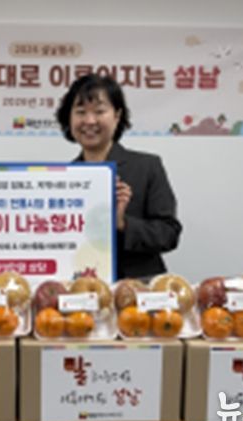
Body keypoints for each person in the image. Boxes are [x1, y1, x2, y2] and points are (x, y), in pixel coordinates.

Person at [56, 74, 182, 280]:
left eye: (99, 111)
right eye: (80, 112)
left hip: (139, 287)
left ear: (117, 115)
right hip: (81, 286)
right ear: (69, 118)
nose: (89, 120)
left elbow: (169, 234)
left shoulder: (147, 166)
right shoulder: (62, 178)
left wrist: (122, 223)